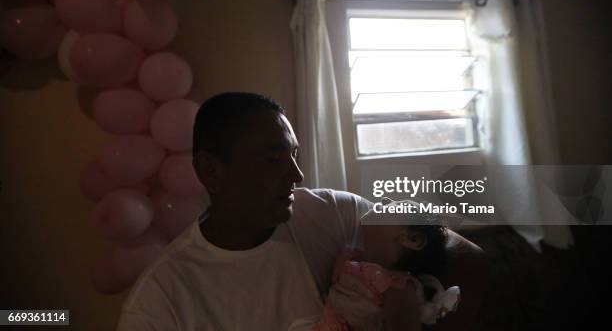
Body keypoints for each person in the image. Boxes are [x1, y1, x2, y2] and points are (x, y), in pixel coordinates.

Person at [116, 92, 487, 331]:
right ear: (210, 170)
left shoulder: (328, 213)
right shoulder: (160, 301)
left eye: (293, 155)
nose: (296, 174)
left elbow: (461, 252)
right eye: (273, 159)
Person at [305, 200, 461, 331]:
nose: (385, 199)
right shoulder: (350, 259)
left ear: (413, 240)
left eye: (394, 205)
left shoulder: (398, 287)